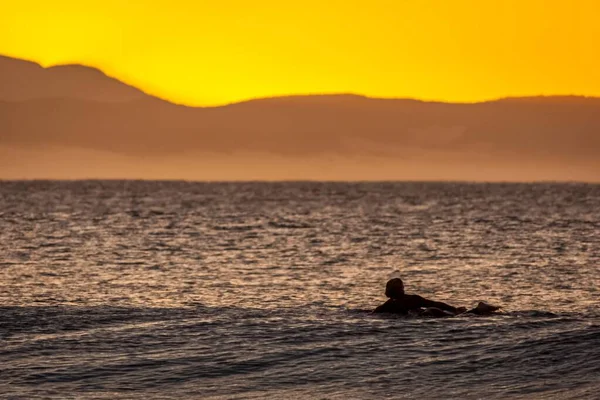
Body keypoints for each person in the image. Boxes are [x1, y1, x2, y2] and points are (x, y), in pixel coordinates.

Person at [373, 278, 467, 316]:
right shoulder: (412, 299)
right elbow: (435, 304)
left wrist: (454, 309)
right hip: (425, 315)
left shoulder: (385, 306)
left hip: (422, 315)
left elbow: (372, 315)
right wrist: (454, 309)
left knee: (432, 310)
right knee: (432, 310)